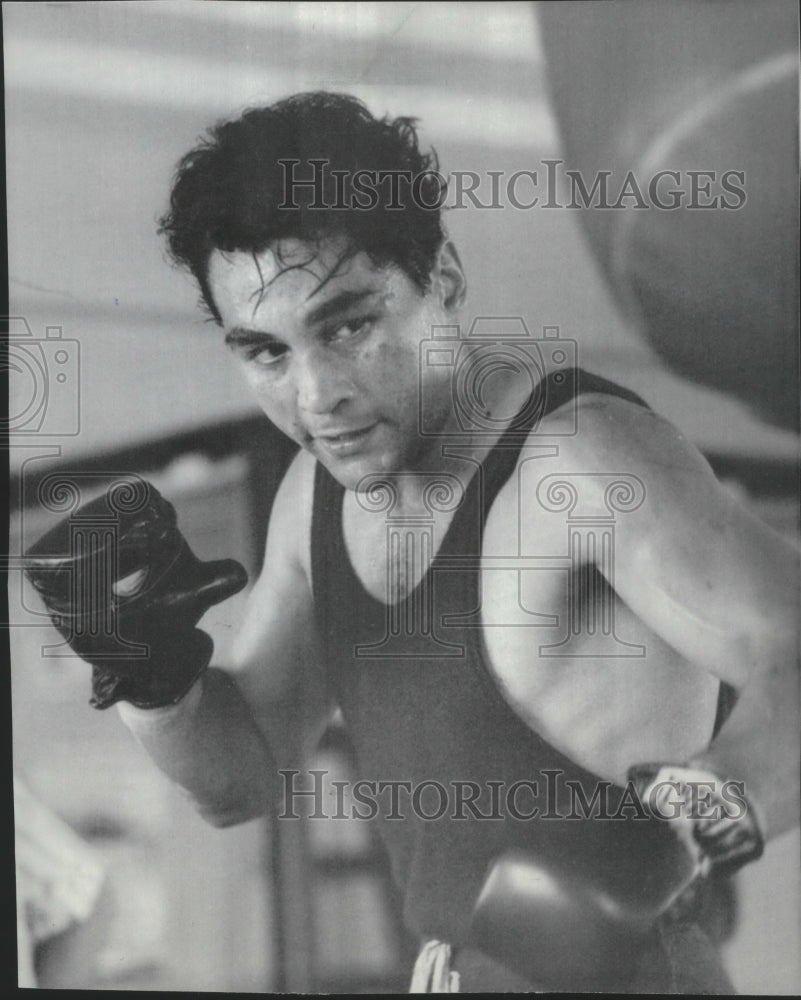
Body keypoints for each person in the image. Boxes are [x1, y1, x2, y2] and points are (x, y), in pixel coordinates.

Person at [23, 92, 799, 992]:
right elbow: (240, 781)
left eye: (348, 325)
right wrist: (149, 677)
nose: (317, 394)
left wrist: (656, 860)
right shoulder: (314, 498)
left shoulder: (581, 459)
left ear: (445, 277)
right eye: (266, 353)